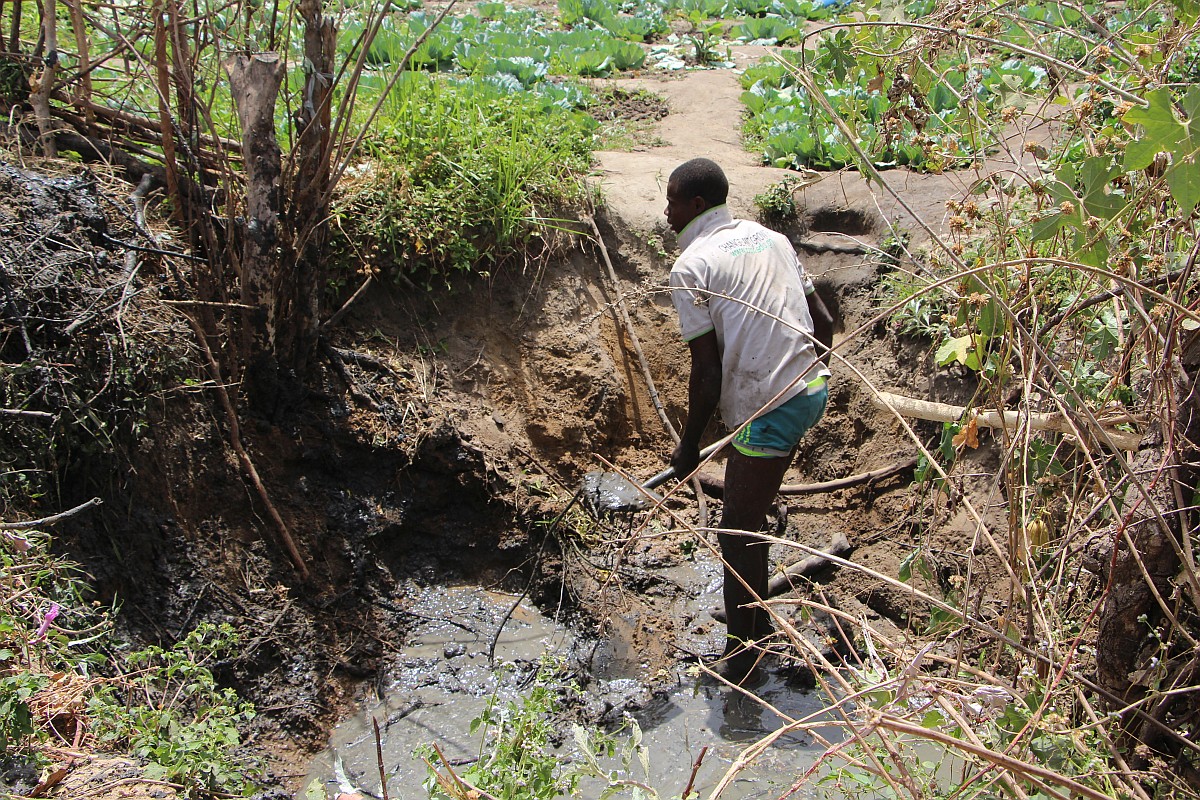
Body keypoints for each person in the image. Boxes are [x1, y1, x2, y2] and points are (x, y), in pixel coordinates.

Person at [664, 158, 835, 686]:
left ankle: (744, 664)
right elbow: (823, 321)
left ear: (695, 205)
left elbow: (707, 372)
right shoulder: (771, 238)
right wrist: (804, 375)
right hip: (811, 388)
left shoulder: (691, 266)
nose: (665, 210)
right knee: (749, 512)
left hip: (770, 407)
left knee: (737, 531)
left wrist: (689, 446)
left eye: (671, 199)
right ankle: (756, 628)